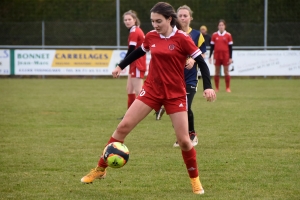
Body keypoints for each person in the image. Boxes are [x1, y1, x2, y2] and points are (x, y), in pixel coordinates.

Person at [80, 2, 216, 195]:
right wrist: (120, 66)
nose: (155, 25)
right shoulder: (151, 36)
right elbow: (138, 52)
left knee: (184, 141)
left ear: (169, 19)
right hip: (151, 90)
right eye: (152, 21)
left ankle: (195, 180)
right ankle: (100, 169)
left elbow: (201, 63)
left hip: (175, 93)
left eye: (159, 21)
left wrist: (208, 87)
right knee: (122, 127)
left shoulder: (182, 39)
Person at [158, 5, 207, 148]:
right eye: (180, 16)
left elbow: (202, 54)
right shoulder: (172, 34)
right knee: (176, 109)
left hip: (190, 78)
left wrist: (193, 59)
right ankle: (181, 137)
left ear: (191, 18)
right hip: (174, 78)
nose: (183, 18)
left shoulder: (197, 35)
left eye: (185, 15)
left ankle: (191, 134)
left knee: (185, 106)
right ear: (175, 18)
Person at [118, 10, 146, 119]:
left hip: (137, 63)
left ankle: (158, 108)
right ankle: (129, 115)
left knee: (140, 91)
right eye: (125, 20)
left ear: (134, 20)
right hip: (134, 63)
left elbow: (131, 50)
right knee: (129, 89)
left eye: (129, 19)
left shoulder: (135, 31)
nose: (127, 21)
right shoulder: (135, 30)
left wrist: (121, 65)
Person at [209, 19, 233, 92]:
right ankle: (217, 88)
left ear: (224, 26)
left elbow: (230, 47)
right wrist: (210, 56)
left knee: (226, 71)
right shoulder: (214, 35)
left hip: (225, 56)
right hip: (217, 56)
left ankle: (227, 88)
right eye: (220, 25)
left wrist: (230, 57)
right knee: (216, 71)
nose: (221, 26)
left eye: (222, 25)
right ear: (218, 26)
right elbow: (212, 47)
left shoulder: (228, 35)